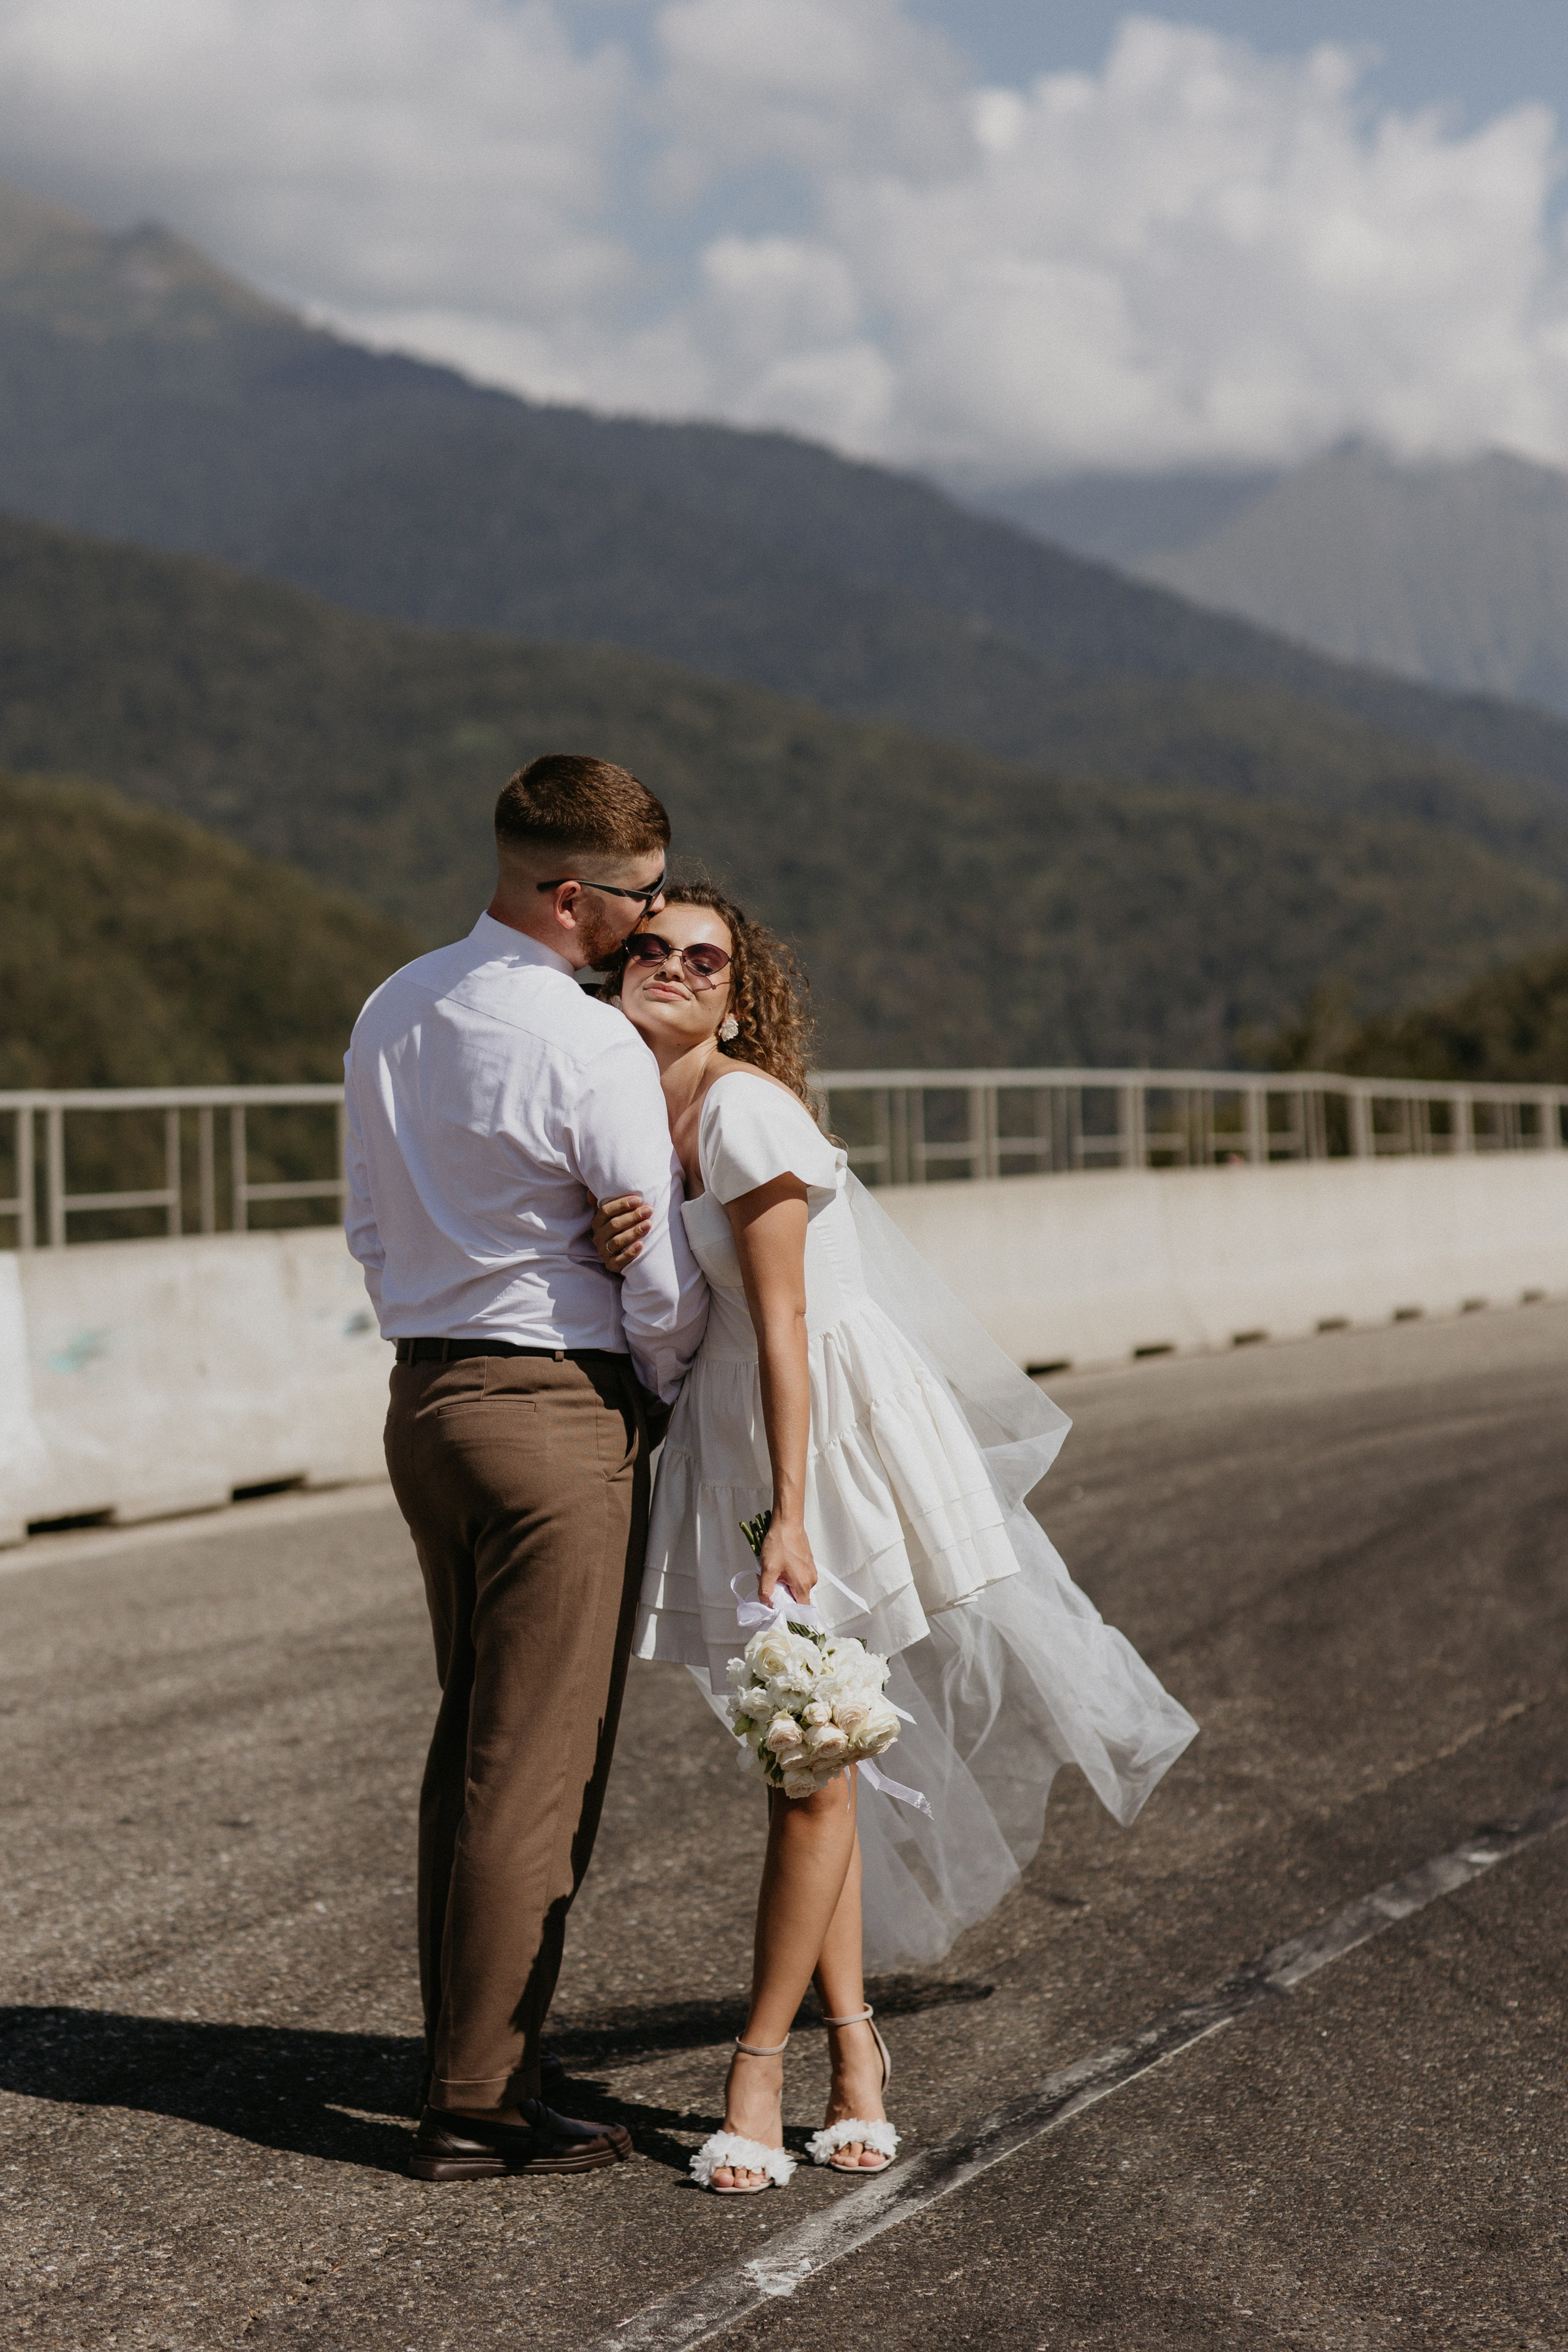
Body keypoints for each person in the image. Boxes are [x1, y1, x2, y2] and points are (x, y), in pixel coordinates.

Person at [590, 886, 1199, 2193]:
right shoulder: (637, 1120)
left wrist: (793, 1514)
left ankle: (759, 2070)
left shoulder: (745, 1111)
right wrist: (617, 1250)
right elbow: (683, 1338)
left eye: (704, 959)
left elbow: (785, 1327)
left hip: (811, 1444)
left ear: (739, 997)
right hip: (735, 1432)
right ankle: (854, 2055)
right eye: (650, 947)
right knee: (816, 1762)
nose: (672, 968)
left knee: (808, 1764)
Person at [343, 754, 708, 2182]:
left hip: (424, 1401)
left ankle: (481, 2060)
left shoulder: (394, 1003)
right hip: (554, 1407)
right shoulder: (586, 1040)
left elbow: (369, 1226)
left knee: (472, 1753)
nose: (656, 920)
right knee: (536, 1772)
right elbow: (660, 1280)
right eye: (640, 898)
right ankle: (477, 2104)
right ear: (571, 896)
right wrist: (656, 1400)